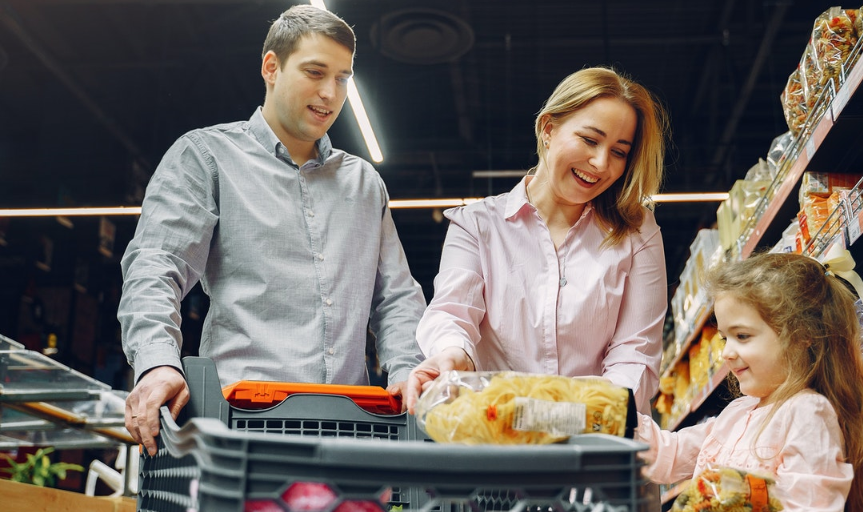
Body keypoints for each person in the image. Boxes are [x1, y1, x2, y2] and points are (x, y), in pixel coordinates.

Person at [118, 5, 425, 455]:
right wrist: (157, 363)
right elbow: (156, 266)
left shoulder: (363, 184)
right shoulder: (206, 157)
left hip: (351, 433)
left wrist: (408, 372)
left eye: (342, 78)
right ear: (271, 67)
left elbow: (395, 297)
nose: (330, 93)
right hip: (239, 430)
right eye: (315, 72)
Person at [404, 67, 669, 415]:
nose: (601, 163)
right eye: (590, 140)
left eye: (619, 152)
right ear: (548, 129)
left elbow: (636, 353)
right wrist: (453, 355)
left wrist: (571, 415)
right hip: (499, 435)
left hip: (597, 442)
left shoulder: (637, 231)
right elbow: (453, 313)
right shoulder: (477, 225)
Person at [636, 252, 863, 511]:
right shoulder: (737, 413)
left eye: (743, 336)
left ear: (803, 335)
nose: (726, 352)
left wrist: (743, 500)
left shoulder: (806, 413)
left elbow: (810, 505)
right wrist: (620, 415)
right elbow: (671, 455)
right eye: (725, 338)